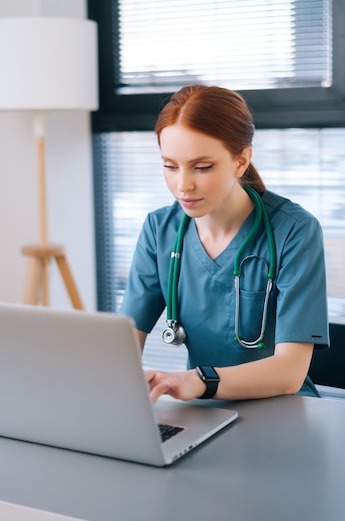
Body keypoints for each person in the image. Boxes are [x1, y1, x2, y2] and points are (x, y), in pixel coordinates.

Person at [120, 84, 329, 402]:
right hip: (202, 411)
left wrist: (199, 381)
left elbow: (290, 372)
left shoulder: (295, 230)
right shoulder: (159, 229)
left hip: (283, 410)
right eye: (170, 166)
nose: (183, 185)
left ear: (241, 161)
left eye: (202, 167)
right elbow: (123, 346)